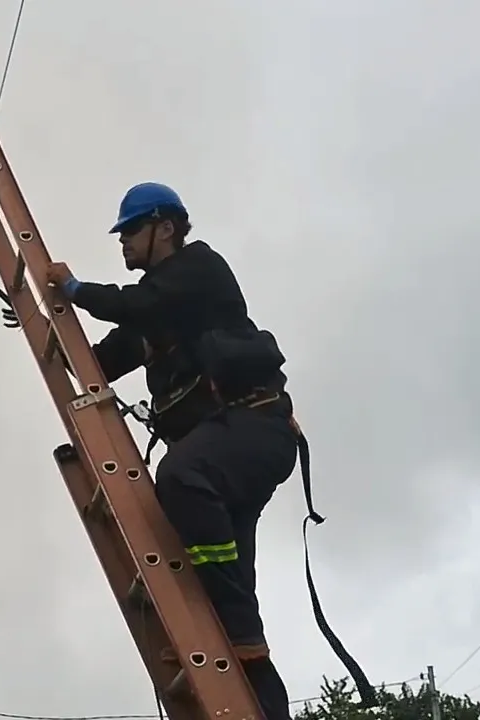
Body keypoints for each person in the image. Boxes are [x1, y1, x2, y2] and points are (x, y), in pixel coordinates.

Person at [45, 182, 297, 720]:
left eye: (131, 231)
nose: (123, 243)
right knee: (232, 618)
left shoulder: (198, 271)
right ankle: (263, 701)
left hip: (255, 426)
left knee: (180, 476)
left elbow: (136, 302)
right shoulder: (159, 313)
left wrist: (74, 288)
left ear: (165, 227)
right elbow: (104, 360)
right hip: (230, 448)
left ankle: (225, 598)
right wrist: (49, 331)